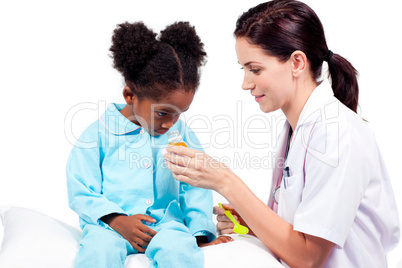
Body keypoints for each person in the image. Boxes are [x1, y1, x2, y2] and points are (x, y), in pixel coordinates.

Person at [163, 1, 400, 267]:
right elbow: (299, 232)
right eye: (243, 69)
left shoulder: (337, 134)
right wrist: (249, 223)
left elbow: (309, 257)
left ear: (297, 62)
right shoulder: (296, 130)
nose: (245, 83)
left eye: (255, 69)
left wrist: (226, 181)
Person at [66, 21, 232, 268]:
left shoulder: (181, 133)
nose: (170, 123)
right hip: (109, 227)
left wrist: (199, 233)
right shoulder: (98, 134)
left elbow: (196, 186)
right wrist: (117, 220)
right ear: (130, 95)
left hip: (166, 225)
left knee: (179, 250)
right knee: (98, 251)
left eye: (180, 113)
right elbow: (80, 189)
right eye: (163, 113)